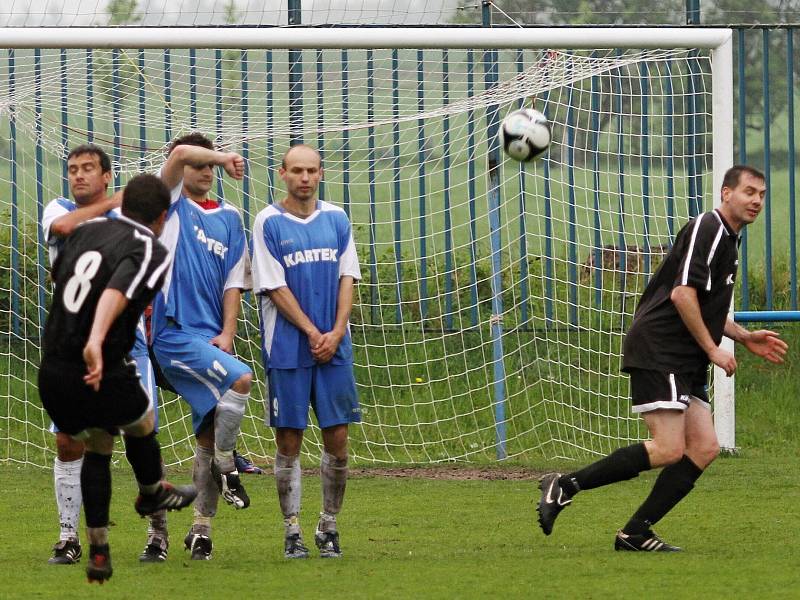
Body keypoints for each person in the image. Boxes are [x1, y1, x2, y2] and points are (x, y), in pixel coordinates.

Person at [536, 165, 788, 551]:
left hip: (683, 356)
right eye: (748, 192)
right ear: (725, 193)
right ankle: (565, 485)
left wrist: (743, 335)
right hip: (661, 348)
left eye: (761, 194)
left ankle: (635, 532)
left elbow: (706, 307)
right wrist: (713, 350)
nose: (756, 200)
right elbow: (681, 295)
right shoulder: (708, 226)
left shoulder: (730, 241)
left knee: (704, 448)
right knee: (669, 448)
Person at [38, 173, 197, 583]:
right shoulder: (150, 247)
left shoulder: (83, 233)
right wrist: (94, 338)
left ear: (121, 206)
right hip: (99, 362)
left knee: (99, 444)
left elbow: (61, 258)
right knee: (142, 419)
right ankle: (151, 493)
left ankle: (98, 553)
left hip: (52, 369)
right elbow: (118, 291)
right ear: (162, 217)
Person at [251, 144, 361, 559]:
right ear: (282, 174)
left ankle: (329, 526)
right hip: (288, 348)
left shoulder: (336, 218)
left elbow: (347, 277)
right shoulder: (268, 222)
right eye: (296, 170)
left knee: (338, 438)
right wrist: (315, 332)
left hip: (334, 346)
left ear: (320, 174)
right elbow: (274, 287)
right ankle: (292, 530)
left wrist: (335, 333)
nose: (304, 178)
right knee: (289, 441)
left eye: (311, 171)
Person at [150, 132, 252, 561]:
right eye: (200, 164)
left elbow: (233, 283)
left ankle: (201, 531)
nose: (206, 171)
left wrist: (228, 332)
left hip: (211, 338)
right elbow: (177, 153)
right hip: (171, 332)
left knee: (207, 435)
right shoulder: (168, 203)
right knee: (243, 378)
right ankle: (226, 470)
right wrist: (224, 155)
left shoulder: (230, 218)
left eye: (210, 166)